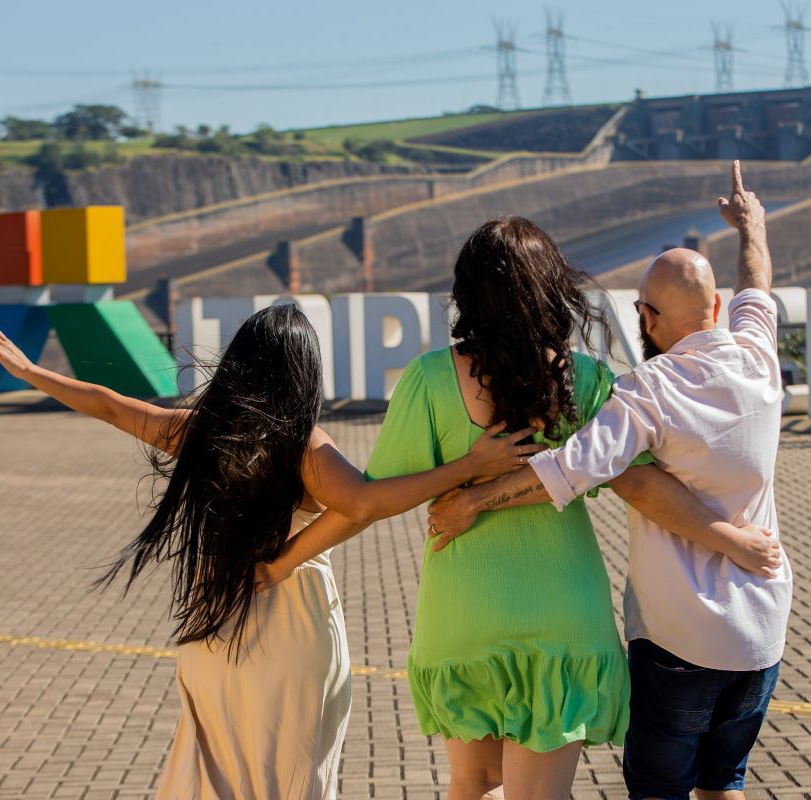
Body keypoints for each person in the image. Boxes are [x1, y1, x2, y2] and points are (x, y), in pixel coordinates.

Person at [267, 216, 780, 800]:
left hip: (464, 611)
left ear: (467, 296)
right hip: (565, 616)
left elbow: (364, 502)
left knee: (473, 781)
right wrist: (730, 539)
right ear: (551, 289)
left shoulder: (430, 380)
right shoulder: (587, 381)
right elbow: (643, 488)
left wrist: (281, 563)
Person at [0, 304, 539, 800]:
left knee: (215, 776)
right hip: (292, 632)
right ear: (304, 373)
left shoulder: (202, 431)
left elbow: (112, 406)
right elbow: (363, 504)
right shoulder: (306, 446)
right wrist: (469, 468)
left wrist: (32, 374)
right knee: (293, 776)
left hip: (212, 631)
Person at [428, 161, 792, 800]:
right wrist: (750, 226)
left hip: (681, 638)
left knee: (661, 790)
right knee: (725, 782)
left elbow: (571, 467)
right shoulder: (760, 358)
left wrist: (475, 498)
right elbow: (756, 282)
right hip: (762, 629)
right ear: (716, 308)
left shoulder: (646, 391)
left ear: (644, 318)